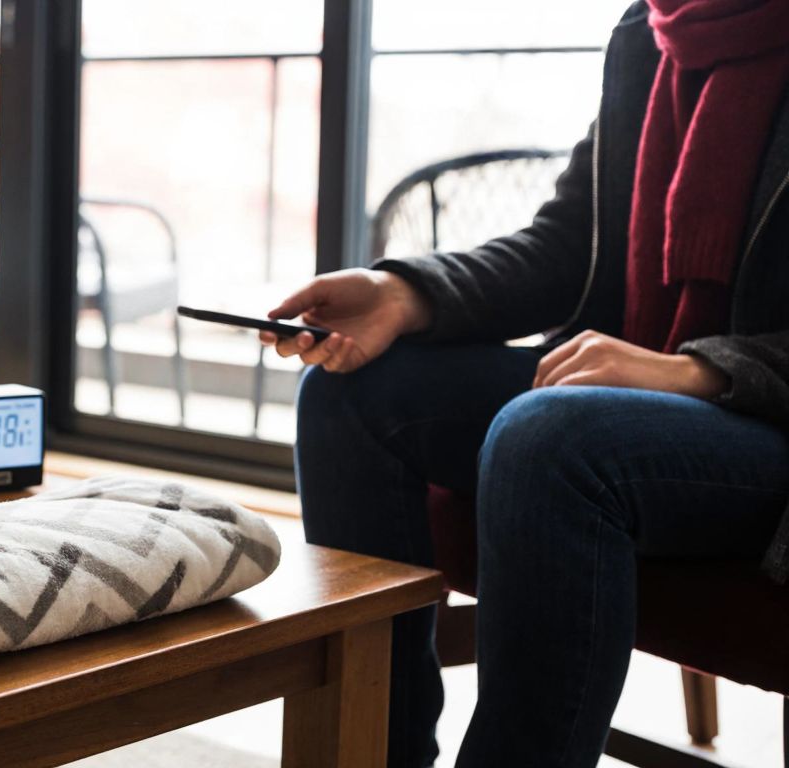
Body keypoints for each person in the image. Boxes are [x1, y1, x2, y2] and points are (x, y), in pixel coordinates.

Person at [260, 1, 789, 766]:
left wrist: (694, 372)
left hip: (766, 424)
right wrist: (407, 295)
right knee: (353, 392)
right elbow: (567, 244)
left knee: (551, 436)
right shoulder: (656, 29)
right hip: (641, 396)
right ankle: (373, 752)